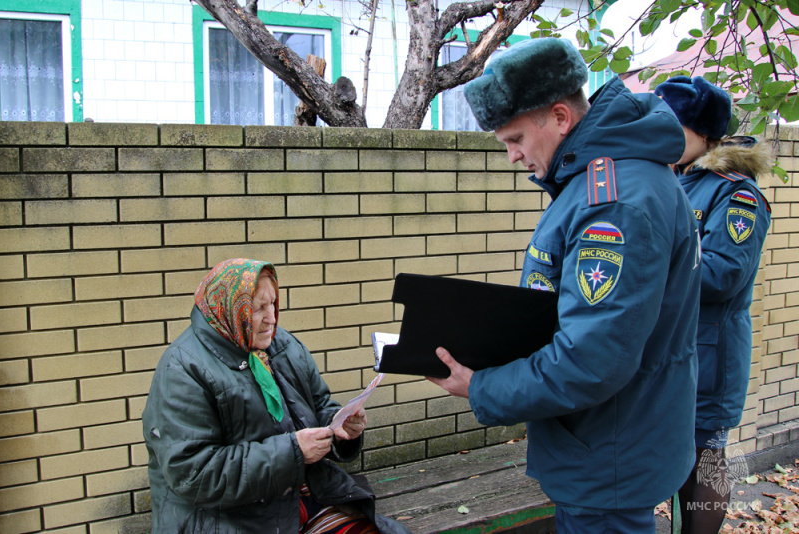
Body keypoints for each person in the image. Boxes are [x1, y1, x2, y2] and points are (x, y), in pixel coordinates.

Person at [426, 38, 702, 533]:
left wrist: (483, 386)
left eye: (514, 139)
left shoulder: (612, 202)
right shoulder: (594, 183)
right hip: (605, 446)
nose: (512, 157)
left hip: (607, 455)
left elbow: (593, 359)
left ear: (559, 118)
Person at [142, 258, 412, 534]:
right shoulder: (183, 369)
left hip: (296, 497)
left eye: (273, 303)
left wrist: (339, 424)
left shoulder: (281, 344)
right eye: (258, 308)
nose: (272, 318)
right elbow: (193, 474)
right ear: (230, 310)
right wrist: (292, 452)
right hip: (228, 518)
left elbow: (318, 403)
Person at [655, 76, 772, 534]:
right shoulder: (675, 181)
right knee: (676, 453)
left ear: (703, 133)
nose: (661, 135)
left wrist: (649, 268)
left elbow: (724, 276)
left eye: (673, 127)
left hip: (709, 351)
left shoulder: (735, 193)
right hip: (672, 348)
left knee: (706, 457)